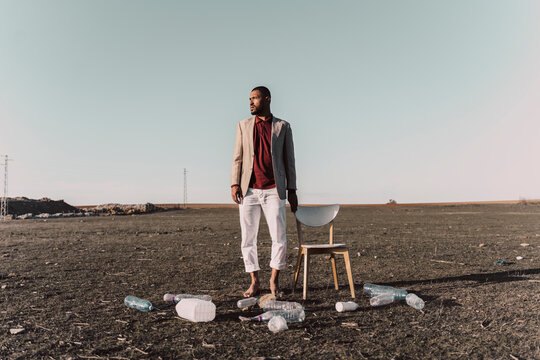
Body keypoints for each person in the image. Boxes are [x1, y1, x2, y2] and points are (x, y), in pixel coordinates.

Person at [231, 86, 298, 297]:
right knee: (247, 238)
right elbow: (238, 157)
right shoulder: (243, 125)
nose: (251, 102)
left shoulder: (283, 126)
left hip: (273, 190)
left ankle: (274, 280)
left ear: (267, 99)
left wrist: (292, 189)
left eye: (255, 98)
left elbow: (290, 161)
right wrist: (234, 184)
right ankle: (255, 281)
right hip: (248, 190)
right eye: (249, 99)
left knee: (279, 237)